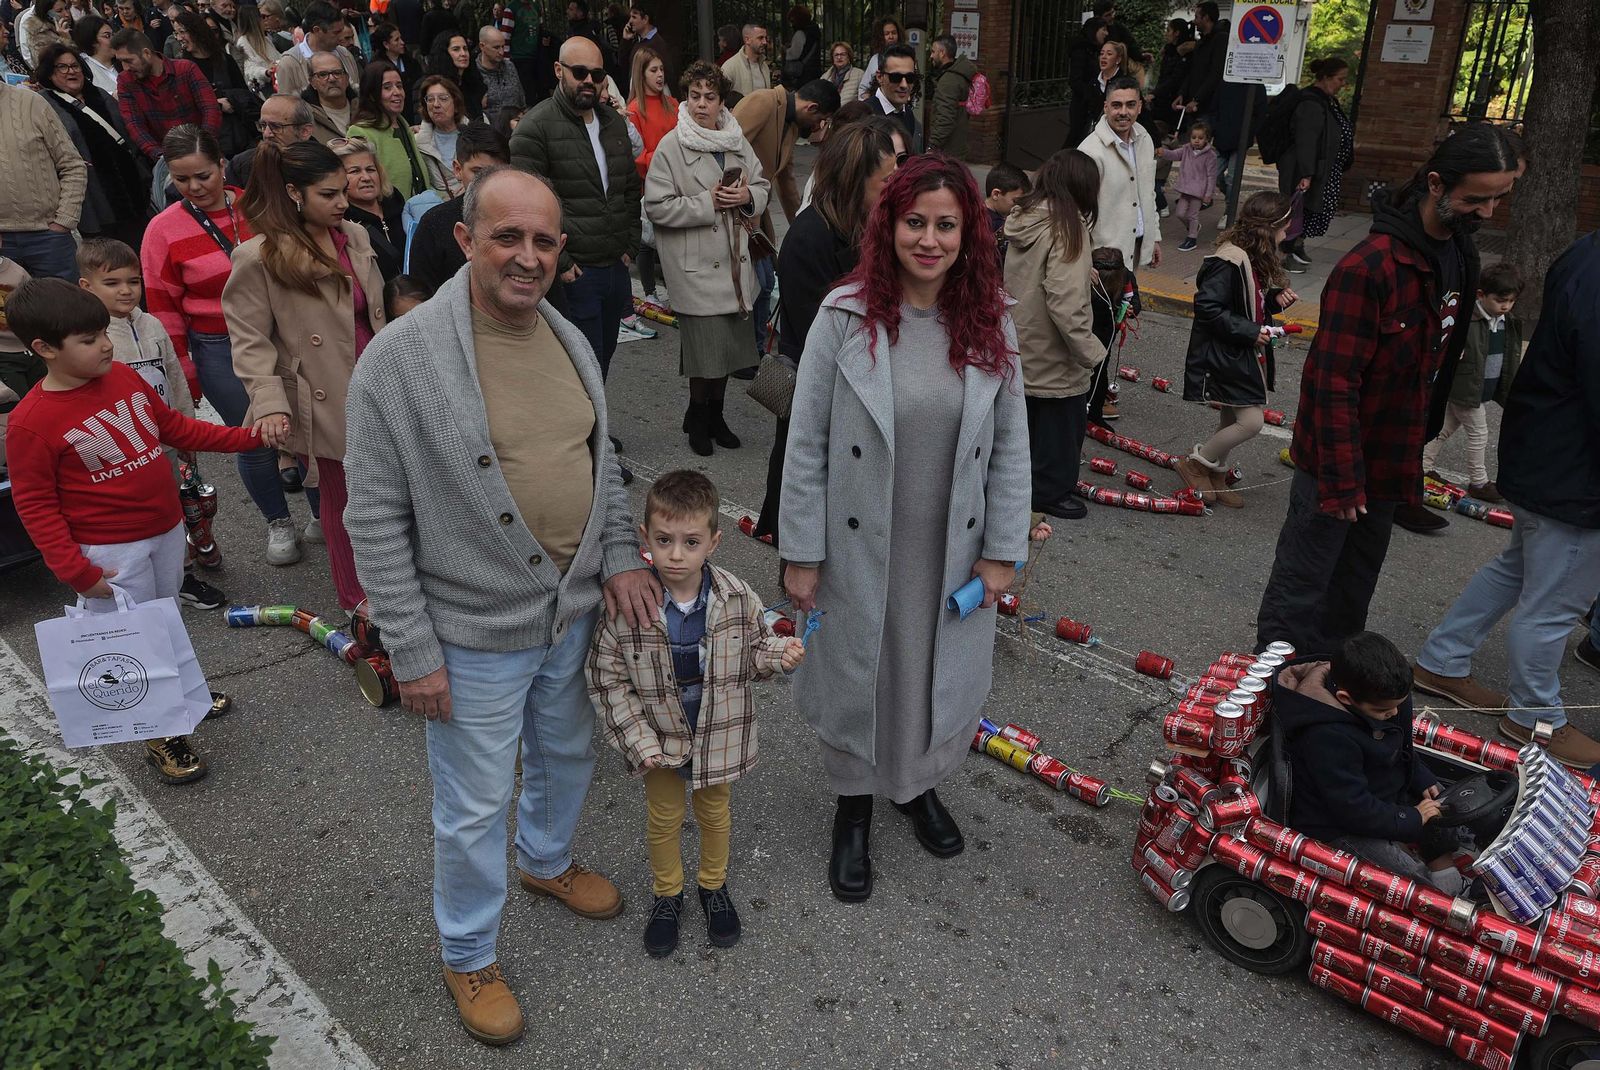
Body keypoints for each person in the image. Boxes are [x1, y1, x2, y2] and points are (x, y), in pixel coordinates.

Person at [343, 165, 659, 1047]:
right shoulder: (398, 362)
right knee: (474, 802)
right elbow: (371, 514)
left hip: (572, 611)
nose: (527, 257)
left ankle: (548, 862)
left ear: (563, 251)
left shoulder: (563, 332)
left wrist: (625, 556)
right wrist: (412, 650)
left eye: (544, 240)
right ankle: (468, 950)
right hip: (470, 631)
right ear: (466, 240)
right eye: (507, 237)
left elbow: (603, 464)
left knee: (565, 750)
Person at [779, 154, 1030, 902]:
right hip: (858, 541)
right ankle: (854, 807)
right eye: (915, 222)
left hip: (947, 546)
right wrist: (800, 550)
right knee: (863, 671)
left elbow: (1011, 446)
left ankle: (916, 786)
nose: (929, 239)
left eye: (946, 224)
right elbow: (806, 442)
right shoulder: (844, 317)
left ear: (969, 233)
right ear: (887, 226)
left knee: (930, 671)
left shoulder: (991, 323)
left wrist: (1002, 552)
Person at [1254, 124, 1518, 654]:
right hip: (1337, 462)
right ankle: (1275, 691)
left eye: (1499, 198)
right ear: (1437, 184)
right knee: (1302, 588)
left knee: (1352, 591)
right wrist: (1345, 481)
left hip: (1392, 462)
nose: (1488, 213)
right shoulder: (1368, 266)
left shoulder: (1461, 254)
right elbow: (1331, 382)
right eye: (1476, 199)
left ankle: (1330, 686)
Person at [3, 279, 272, 782]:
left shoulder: (124, 379)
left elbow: (175, 427)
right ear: (43, 349)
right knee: (127, 642)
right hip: (107, 550)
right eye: (87, 339)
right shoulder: (31, 423)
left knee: (163, 621)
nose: (105, 344)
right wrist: (77, 572)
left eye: (103, 332)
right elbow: (35, 505)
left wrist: (246, 438)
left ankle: (184, 695)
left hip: (165, 530)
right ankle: (159, 733)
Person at [589, 469, 804, 957]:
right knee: (664, 817)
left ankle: (713, 886)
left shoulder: (736, 596)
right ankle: (668, 895)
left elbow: (755, 650)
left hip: (717, 735)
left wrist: (778, 655)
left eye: (690, 541)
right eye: (664, 540)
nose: (676, 554)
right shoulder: (627, 606)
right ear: (645, 537)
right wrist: (639, 743)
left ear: (714, 542)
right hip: (659, 739)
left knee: (714, 813)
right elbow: (606, 679)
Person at [1411, 231, 1600, 767]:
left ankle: (1442, 660)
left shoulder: (1587, 253)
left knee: (1518, 570)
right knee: (1554, 603)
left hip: (1551, 457)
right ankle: (1536, 717)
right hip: (1575, 473)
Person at [225, 139, 384, 613]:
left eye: (343, 191)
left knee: (389, 489)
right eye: (329, 194)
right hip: (323, 391)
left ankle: (401, 583)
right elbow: (249, 338)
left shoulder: (355, 236)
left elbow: (373, 314)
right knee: (342, 496)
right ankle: (358, 600)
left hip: (375, 377)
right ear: (294, 193)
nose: (342, 202)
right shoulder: (258, 256)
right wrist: (270, 401)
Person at [142, 124, 311, 566]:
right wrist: (186, 371)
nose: (194, 187)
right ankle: (278, 522)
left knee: (310, 426)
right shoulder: (162, 230)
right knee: (252, 437)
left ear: (222, 165)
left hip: (284, 333)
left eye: (203, 175)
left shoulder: (261, 207)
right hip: (219, 345)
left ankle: (321, 512)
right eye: (181, 179)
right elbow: (164, 306)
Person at [753, 122, 895, 545]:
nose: (894, 190)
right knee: (806, 509)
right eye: (886, 181)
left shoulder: (870, 224)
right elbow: (824, 332)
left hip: (859, 379)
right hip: (820, 385)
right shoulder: (809, 237)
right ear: (855, 182)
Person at [76, 236, 226, 610]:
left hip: (167, 437)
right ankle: (148, 581)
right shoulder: (90, 337)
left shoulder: (153, 324)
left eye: (133, 281)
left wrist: (186, 425)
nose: (126, 291)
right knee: (146, 515)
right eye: (112, 283)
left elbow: (172, 375)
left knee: (181, 503)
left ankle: (186, 569)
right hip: (126, 449)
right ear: (86, 287)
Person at [1276, 632, 1466, 893]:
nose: (1394, 714)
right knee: (1403, 876)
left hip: (1381, 791)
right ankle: (1438, 896)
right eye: (1382, 711)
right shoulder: (1327, 736)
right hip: (1337, 824)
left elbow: (1402, 748)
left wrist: (1420, 776)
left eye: (1399, 705)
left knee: (1436, 808)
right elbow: (1350, 808)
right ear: (1345, 698)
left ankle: (1443, 864)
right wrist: (1409, 818)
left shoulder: (1386, 698)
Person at [644, 59, 769, 457]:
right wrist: (708, 202)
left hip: (735, 265)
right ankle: (698, 416)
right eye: (694, 96)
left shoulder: (735, 138)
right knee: (705, 356)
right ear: (686, 98)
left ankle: (715, 415)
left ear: (721, 102)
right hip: (695, 268)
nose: (701, 104)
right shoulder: (670, 146)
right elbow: (656, 207)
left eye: (709, 97)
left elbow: (761, 182)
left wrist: (748, 197)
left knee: (730, 351)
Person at [510, 35, 639, 381]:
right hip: (574, 272)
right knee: (580, 365)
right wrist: (564, 264)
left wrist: (630, 244)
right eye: (579, 71)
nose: (589, 82)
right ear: (558, 71)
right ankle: (588, 435)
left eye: (597, 75)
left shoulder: (613, 124)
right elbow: (526, 206)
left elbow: (629, 187)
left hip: (615, 265)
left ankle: (597, 431)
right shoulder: (535, 128)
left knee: (604, 358)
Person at [1175, 191, 1298, 508]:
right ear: (1268, 228)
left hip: (1237, 349)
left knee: (1232, 418)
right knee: (1251, 421)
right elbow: (1208, 307)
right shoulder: (1229, 259)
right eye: (1284, 226)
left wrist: (1272, 301)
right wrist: (1251, 330)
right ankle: (1197, 464)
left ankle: (1216, 474)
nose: (1287, 233)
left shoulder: (1249, 256)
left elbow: (1244, 305)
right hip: (1226, 353)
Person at [1004, 149, 1103, 523]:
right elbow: (1066, 301)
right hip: (1055, 347)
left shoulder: (1026, 217)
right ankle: (1050, 492)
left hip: (1019, 337)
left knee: (1025, 425)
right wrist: (1091, 351)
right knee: (1060, 425)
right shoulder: (1068, 228)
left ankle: (1021, 489)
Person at [732, 76, 838, 364]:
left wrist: (802, 225)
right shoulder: (764, 102)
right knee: (759, 283)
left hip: (755, 208)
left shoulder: (789, 123)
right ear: (813, 108)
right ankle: (747, 354)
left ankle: (752, 353)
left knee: (765, 283)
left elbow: (787, 180)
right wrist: (738, 197)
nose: (818, 129)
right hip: (735, 206)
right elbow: (727, 144)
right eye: (821, 121)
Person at [1420, 261, 1523, 500]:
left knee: (1444, 428)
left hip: (1481, 389)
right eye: (1500, 300)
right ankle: (1479, 481)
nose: (1506, 306)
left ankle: (1421, 465)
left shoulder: (1506, 322)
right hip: (1466, 389)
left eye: (1511, 301)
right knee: (1479, 434)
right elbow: (1445, 342)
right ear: (1481, 295)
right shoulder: (1467, 321)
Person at [19, 46, 119, 266]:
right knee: (106, 261)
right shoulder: (43, 104)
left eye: (74, 66)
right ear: (49, 73)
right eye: (61, 67)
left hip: (126, 188)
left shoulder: (99, 94)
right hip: (91, 192)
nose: (70, 72)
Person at [111, 28, 220, 206]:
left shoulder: (185, 69)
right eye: (121, 62)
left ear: (146, 53)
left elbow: (210, 109)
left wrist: (205, 147)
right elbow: (134, 125)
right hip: (167, 164)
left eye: (128, 61)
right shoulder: (126, 81)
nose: (125, 68)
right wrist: (162, 157)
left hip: (204, 153)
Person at [401, 122, 508, 290]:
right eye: (478, 172)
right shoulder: (434, 224)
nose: (488, 181)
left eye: (496, 172)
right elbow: (419, 297)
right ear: (458, 169)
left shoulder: (524, 220)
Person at [1277, 56, 1352, 271]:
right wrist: (1307, 174)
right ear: (1326, 77)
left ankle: (1296, 247)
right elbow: (1307, 140)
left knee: (1308, 211)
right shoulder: (1311, 103)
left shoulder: (1325, 100)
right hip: (1305, 171)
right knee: (1297, 212)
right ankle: (1285, 254)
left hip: (1318, 169)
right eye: (1340, 79)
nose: (1342, 84)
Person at [1079, 76, 1159, 271]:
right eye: (1117, 105)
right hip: (1103, 260)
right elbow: (1080, 213)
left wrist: (1154, 237)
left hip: (1137, 246)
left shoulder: (1145, 139)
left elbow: (1148, 193)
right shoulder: (1089, 151)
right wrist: (1085, 262)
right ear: (1106, 107)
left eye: (1130, 105)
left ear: (1140, 107)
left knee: (1129, 302)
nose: (1123, 112)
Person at [171, 9, 256, 156]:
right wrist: (216, 104)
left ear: (196, 31)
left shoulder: (225, 60)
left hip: (239, 135)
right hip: (211, 141)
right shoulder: (181, 68)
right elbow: (183, 105)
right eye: (176, 33)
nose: (179, 38)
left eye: (182, 32)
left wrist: (230, 99)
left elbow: (244, 95)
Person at [348, 60, 430, 198]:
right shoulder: (360, 131)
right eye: (387, 87)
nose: (397, 92)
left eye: (399, 86)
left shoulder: (403, 125)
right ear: (372, 94)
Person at [335, 136, 405, 280]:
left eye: (370, 169)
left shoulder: (401, 208)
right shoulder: (341, 224)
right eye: (354, 171)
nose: (366, 177)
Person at [225, 93, 313, 190]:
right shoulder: (240, 166)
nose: (266, 134)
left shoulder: (322, 167)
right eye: (263, 125)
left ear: (305, 131)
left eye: (276, 127)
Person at [273, 2, 360, 98]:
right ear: (316, 30)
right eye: (336, 32)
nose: (341, 37)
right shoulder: (290, 63)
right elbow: (286, 105)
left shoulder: (345, 54)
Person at [1158, 119, 1216, 251]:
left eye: (1200, 138)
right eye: (1193, 137)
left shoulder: (1210, 156)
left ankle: (1192, 238)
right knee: (1180, 213)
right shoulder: (1186, 149)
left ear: (1207, 139)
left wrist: (1208, 194)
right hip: (1185, 188)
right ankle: (1193, 227)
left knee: (1192, 215)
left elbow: (1211, 176)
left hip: (1198, 191)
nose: (1196, 140)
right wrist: (1163, 152)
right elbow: (1173, 154)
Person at [414, 73, 469, 196]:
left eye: (443, 98)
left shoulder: (474, 135)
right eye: (430, 99)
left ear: (456, 104)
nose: (436, 105)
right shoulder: (418, 143)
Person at [1172, 1, 1226, 126]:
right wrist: (1182, 93)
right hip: (1193, 102)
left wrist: (1198, 99)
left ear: (1206, 18)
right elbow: (1193, 70)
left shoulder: (1220, 40)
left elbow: (1215, 73)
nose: (1194, 21)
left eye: (1197, 17)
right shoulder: (1201, 42)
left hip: (1208, 105)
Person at [925, 34, 975, 156]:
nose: (931, 56)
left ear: (942, 53)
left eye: (933, 51)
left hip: (947, 151)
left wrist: (932, 146)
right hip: (956, 145)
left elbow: (945, 118)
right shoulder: (958, 75)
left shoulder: (948, 81)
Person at [868, 43, 918, 152]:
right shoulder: (864, 114)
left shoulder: (908, 114)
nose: (904, 85)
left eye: (910, 78)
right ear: (880, 77)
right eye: (896, 77)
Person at [428, 29, 486, 121]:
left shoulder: (473, 83)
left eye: (465, 48)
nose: (463, 54)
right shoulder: (431, 86)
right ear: (444, 54)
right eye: (456, 49)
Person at [617, 1, 672, 97]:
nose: (630, 21)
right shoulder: (637, 41)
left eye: (634, 17)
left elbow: (668, 74)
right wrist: (626, 40)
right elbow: (622, 65)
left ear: (645, 19)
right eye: (630, 17)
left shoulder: (657, 44)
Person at [370, 21, 421, 122]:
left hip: (414, 110)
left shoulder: (411, 61)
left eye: (401, 38)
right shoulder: (376, 67)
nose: (402, 42)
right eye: (396, 40)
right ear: (386, 44)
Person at [1150, 17, 1193, 132]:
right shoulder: (1168, 50)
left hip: (1173, 100)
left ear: (1177, 33)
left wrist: (1155, 93)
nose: (1166, 34)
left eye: (1168, 30)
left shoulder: (1185, 53)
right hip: (1161, 98)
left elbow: (1175, 78)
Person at [303, 49, 356, 140]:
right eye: (323, 74)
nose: (332, 79)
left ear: (347, 78)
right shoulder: (305, 119)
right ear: (312, 82)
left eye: (337, 73)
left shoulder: (366, 109)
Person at [984, 163, 1029, 265]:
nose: (1018, 207)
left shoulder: (972, 214)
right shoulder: (997, 225)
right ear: (996, 194)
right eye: (1015, 201)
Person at [497, 0, 540, 103]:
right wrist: (506, 61)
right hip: (518, 58)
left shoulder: (536, 7)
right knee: (526, 94)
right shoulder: (511, 8)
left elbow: (539, 28)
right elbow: (505, 37)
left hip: (535, 56)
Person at [477, 24, 524, 115]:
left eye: (503, 47)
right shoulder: (474, 72)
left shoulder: (509, 67)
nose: (501, 52)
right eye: (496, 47)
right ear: (482, 46)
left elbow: (521, 100)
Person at [233, 2, 280, 92]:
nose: (265, 21)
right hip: (264, 91)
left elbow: (278, 57)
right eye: (262, 17)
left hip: (277, 84)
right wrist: (266, 72)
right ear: (255, 21)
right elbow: (249, 70)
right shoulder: (242, 43)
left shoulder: (266, 40)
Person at [856, 14, 901, 102]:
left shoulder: (905, 58)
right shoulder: (875, 59)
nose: (891, 37)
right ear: (881, 37)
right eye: (887, 34)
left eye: (894, 33)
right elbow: (863, 88)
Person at [72, 14, 119, 95]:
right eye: (107, 36)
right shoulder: (83, 69)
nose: (114, 40)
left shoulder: (123, 61)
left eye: (113, 35)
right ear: (92, 41)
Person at [719, 21, 767, 99]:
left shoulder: (764, 66)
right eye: (760, 38)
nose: (765, 42)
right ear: (747, 40)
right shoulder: (730, 66)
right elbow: (720, 98)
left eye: (765, 38)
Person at [19, 0, 68, 67]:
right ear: (47, 14)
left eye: (66, 8)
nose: (66, 14)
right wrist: (65, 40)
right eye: (59, 11)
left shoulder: (67, 25)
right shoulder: (38, 34)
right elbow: (44, 65)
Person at [781, 4, 819, 88]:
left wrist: (786, 50)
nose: (791, 24)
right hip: (813, 72)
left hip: (802, 75)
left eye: (792, 21)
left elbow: (794, 54)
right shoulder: (813, 31)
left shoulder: (800, 33)